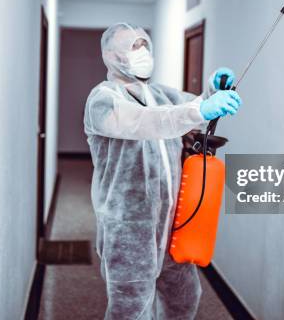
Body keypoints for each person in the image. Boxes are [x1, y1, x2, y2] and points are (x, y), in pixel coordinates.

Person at [84, 22, 242, 319]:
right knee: (130, 308)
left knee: (183, 298)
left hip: (172, 221)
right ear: (110, 55)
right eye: (132, 47)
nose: (141, 52)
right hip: (129, 227)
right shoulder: (102, 100)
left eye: (144, 45)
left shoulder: (159, 95)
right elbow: (145, 121)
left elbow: (189, 111)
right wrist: (198, 111)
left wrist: (213, 92)